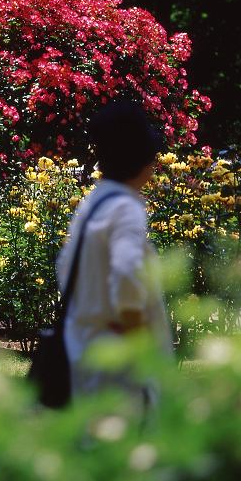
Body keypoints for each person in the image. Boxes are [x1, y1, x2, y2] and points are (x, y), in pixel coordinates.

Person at [56, 100, 173, 400]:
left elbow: (64, 269)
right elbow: (126, 272)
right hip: (123, 370)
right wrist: (141, 349)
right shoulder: (125, 208)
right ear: (143, 159)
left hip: (84, 354)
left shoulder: (92, 205)